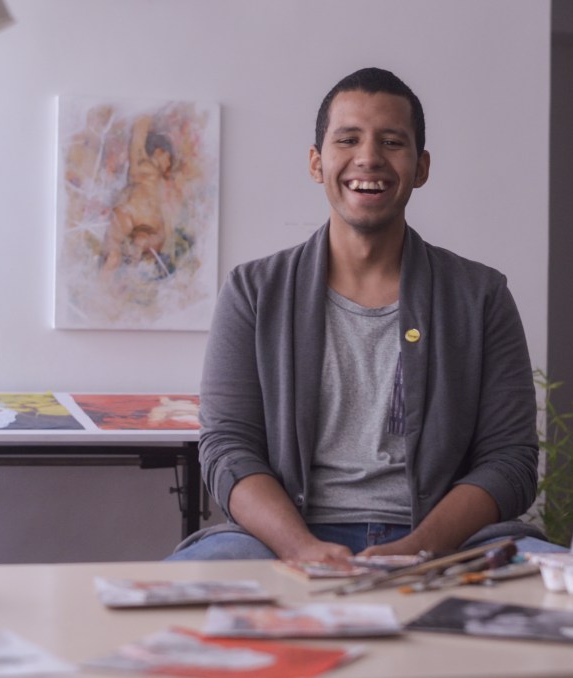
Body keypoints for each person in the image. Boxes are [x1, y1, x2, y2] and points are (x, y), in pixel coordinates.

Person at [168, 67, 548, 563]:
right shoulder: (254, 292)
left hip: (446, 545)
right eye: (348, 139)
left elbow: (510, 461)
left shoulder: (481, 297)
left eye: (392, 142)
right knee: (190, 580)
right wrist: (303, 549)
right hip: (281, 541)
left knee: (570, 584)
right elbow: (227, 449)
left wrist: (415, 549)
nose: (368, 157)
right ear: (316, 163)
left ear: (421, 167)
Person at [101, 114, 175, 277]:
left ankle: (132, 262)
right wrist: (144, 119)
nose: (169, 163)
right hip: (129, 213)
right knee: (113, 257)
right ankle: (107, 273)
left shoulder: (164, 178)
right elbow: (138, 138)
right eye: (168, 158)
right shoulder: (141, 164)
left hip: (149, 226)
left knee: (142, 250)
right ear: (159, 152)